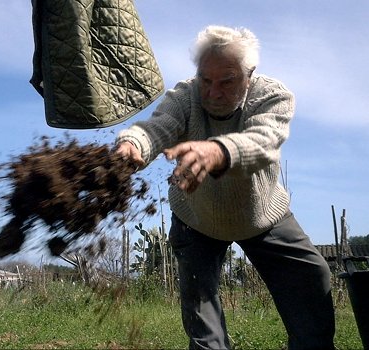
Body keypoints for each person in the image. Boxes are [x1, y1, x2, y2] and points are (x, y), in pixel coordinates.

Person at [115, 25, 335, 349]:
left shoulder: (273, 96)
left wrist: (217, 150)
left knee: (313, 277)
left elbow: (263, 142)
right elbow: (157, 128)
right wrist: (133, 145)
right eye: (206, 80)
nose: (213, 92)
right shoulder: (185, 96)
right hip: (196, 219)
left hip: (261, 216)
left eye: (227, 81)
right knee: (202, 323)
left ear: (249, 75)